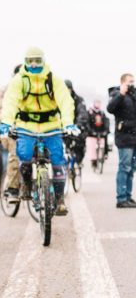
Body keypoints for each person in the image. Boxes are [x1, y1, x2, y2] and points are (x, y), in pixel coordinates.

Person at [0, 47, 77, 215]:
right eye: (30, 61)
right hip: (26, 127)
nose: (34, 64)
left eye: (37, 60)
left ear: (43, 60)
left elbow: (65, 101)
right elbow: (10, 101)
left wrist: (68, 123)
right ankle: (26, 186)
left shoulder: (54, 80)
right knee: (24, 155)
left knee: (58, 160)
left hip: (51, 126)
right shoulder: (19, 80)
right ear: (26, 61)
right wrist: (6, 122)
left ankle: (59, 199)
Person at [107, 73, 136, 208]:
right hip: (125, 138)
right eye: (129, 81)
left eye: (133, 81)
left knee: (132, 169)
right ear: (122, 83)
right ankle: (121, 198)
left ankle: (128, 196)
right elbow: (110, 109)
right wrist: (121, 94)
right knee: (124, 167)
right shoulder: (116, 94)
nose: (132, 84)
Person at [1, 65, 23, 202]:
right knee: (14, 156)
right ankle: (12, 189)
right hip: (10, 128)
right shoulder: (6, 90)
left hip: (28, 128)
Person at [63, 79, 89, 166]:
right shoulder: (57, 100)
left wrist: (78, 125)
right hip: (62, 127)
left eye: (68, 89)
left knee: (79, 144)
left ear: (71, 89)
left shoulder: (79, 100)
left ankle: (78, 162)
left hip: (75, 126)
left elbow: (82, 113)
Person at [86, 99, 110, 170]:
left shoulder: (102, 113)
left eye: (99, 103)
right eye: (97, 102)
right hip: (92, 134)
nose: (98, 104)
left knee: (104, 142)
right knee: (92, 148)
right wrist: (91, 131)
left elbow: (106, 122)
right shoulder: (90, 112)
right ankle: (93, 161)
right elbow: (87, 123)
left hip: (101, 133)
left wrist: (106, 130)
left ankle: (105, 154)